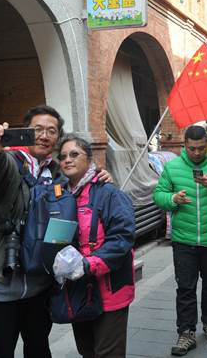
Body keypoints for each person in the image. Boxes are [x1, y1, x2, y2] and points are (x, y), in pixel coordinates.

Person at [0, 105, 111, 358]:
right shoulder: (10, 162)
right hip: (3, 283)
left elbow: (83, 187)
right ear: (26, 131)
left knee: (38, 349)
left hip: (40, 285)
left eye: (51, 131)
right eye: (37, 129)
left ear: (57, 138)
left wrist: (100, 176)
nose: (44, 136)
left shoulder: (59, 173)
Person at [153, 125, 207, 356]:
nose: (196, 153)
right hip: (184, 239)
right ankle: (186, 332)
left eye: (201, 148)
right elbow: (159, 195)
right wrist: (172, 198)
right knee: (185, 287)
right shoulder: (173, 167)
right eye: (192, 148)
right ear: (185, 146)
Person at [56, 134, 135, 358]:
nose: (67, 160)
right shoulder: (59, 194)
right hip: (79, 290)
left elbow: (122, 238)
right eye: (62, 157)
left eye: (74, 154)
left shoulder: (108, 193)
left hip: (110, 288)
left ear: (90, 160)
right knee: (87, 351)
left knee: (107, 353)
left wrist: (88, 264)